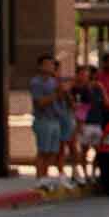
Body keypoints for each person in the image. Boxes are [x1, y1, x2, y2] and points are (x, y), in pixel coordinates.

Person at [29, 55, 63, 190]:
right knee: (42, 150)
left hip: (55, 119)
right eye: (47, 64)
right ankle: (39, 177)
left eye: (52, 65)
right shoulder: (36, 83)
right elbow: (40, 102)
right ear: (40, 66)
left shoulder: (53, 82)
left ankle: (46, 176)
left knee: (52, 151)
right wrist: (55, 95)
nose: (50, 67)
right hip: (43, 120)